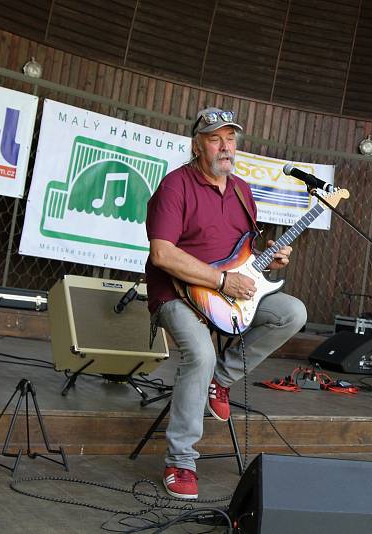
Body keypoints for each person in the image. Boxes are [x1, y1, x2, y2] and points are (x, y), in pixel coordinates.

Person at [145, 107, 307, 499]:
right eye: (216, 138)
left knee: (292, 313)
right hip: (177, 294)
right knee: (199, 354)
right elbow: (162, 255)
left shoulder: (241, 190)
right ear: (197, 145)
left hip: (231, 294)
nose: (225, 147)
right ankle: (180, 460)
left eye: (230, 139)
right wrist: (221, 280)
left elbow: (245, 249)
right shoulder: (174, 186)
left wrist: (269, 254)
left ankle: (222, 379)